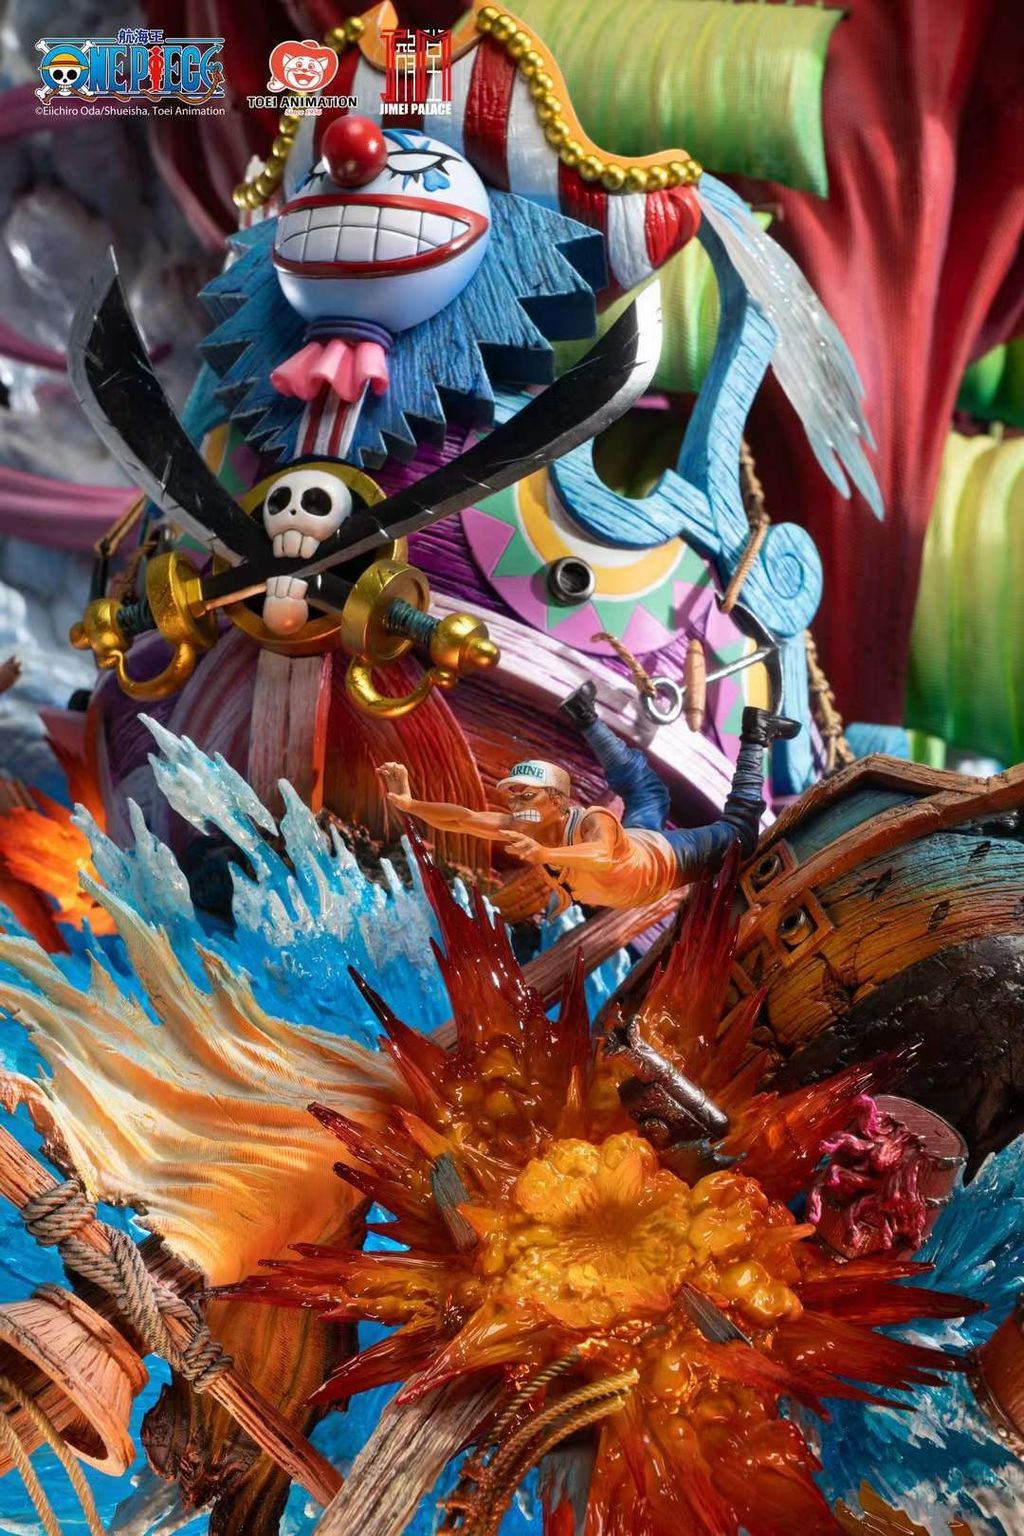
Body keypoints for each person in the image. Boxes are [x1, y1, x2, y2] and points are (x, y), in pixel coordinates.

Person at [378, 684, 798, 913]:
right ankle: (585, 715)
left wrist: (546, 854)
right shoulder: (526, 826)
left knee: (740, 836)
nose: (516, 803)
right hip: (639, 849)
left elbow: (599, 855)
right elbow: (464, 818)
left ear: (558, 801)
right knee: (646, 790)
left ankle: (755, 733)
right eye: (515, 795)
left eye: (527, 796)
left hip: (666, 862)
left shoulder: (595, 822)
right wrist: (411, 805)